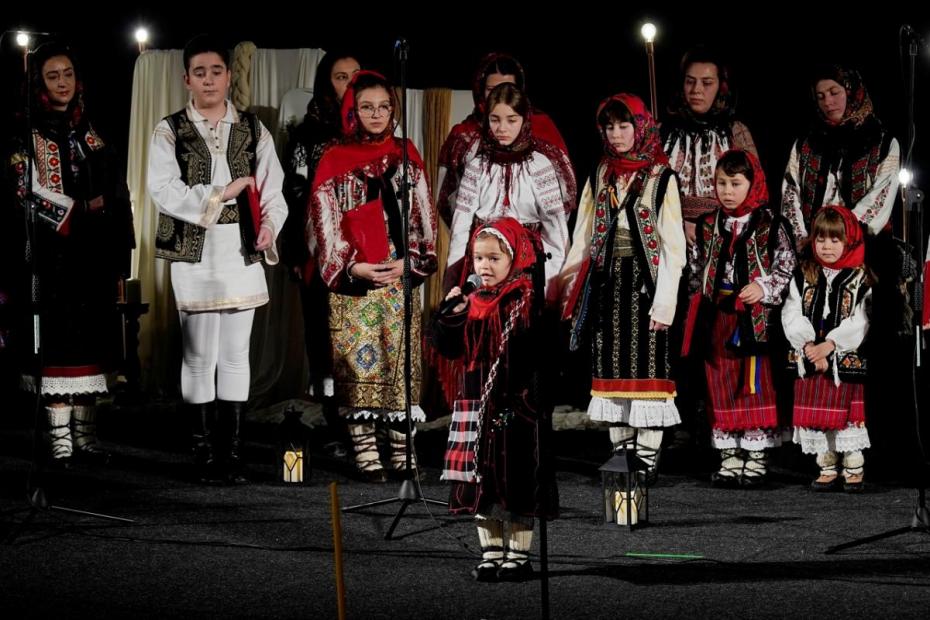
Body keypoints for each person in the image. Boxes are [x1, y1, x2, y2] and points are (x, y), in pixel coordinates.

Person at [147, 34, 288, 483]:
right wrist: (221, 193)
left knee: (235, 354)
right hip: (195, 252)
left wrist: (269, 227)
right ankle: (203, 452)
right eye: (200, 72)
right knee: (198, 355)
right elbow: (163, 189)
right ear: (186, 79)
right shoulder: (170, 129)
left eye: (216, 71)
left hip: (240, 250)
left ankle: (232, 452)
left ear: (228, 76)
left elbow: (273, 187)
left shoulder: (253, 128)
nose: (208, 80)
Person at [308, 71, 438, 481]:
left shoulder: (406, 154)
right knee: (358, 366)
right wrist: (351, 267)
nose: (377, 114)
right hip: (355, 280)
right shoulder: (334, 158)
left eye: (384, 106)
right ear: (353, 111)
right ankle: (366, 453)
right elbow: (324, 224)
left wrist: (412, 261)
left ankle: (402, 452)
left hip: (398, 275)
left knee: (400, 364)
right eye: (367, 107)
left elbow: (424, 214)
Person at [9, 41, 134, 464]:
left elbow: (116, 187)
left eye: (68, 74)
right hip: (51, 258)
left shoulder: (91, 131)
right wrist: (79, 210)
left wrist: (112, 224)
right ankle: (59, 436)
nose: (62, 83)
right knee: (60, 343)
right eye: (52, 76)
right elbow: (24, 191)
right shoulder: (26, 133)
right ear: (39, 84)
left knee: (93, 342)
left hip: (93, 256)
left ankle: (86, 434)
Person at [561, 93, 686, 483]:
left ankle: (646, 455)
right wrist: (568, 289)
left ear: (640, 127)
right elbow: (583, 236)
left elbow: (673, 248)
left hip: (644, 285)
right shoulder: (601, 173)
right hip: (607, 282)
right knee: (611, 368)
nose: (616, 134)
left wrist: (664, 304)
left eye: (624, 125)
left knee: (647, 370)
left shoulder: (661, 177)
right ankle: (621, 454)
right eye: (610, 127)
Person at [433, 217, 557, 582]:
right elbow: (449, 349)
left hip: (515, 408)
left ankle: (517, 555)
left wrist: (532, 403)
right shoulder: (471, 302)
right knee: (480, 479)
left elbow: (541, 359)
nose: (484, 266)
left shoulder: (526, 301)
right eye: (478, 258)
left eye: (493, 259)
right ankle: (490, 552)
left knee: (514, 479)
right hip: (475, 404)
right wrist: (450, 315)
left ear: (513, 259)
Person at [686, 150, 795, 487]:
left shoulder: (770, 224)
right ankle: (730, 454)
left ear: (752, 183)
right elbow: (696, 268)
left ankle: (757, 454)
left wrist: (763, 287)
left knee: (754, 383)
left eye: (735, 183)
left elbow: (786, 265)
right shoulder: (708, 224)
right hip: (717, 317)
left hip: (754, 321)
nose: (727, 191)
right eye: (721, 183)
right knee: (719, 381)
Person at [281, 51, 360, 458]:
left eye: (356, 75)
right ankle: (334, 425)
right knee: (324, 339)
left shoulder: (374, 127)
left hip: (365, 253)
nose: (350, 83)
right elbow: (294, 195)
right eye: (340, 76)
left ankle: (365, 426)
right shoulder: (307, 135)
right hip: (319, 250)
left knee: (360, 338)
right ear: (326, 82)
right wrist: (297, 250)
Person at [446, 83, 572, 306]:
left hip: (527, 270)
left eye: (511, 120)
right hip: (483, 267)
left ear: (524, 120)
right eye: (495, 120)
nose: (502, 128)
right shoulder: (477, 166)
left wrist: (551, 287)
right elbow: (460, 227)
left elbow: (555, 230)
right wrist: (452, 280)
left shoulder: (539, 165)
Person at [783, 206, 871, 492]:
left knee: (846, 416)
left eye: (835, 240)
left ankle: (853, 465)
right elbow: (791, 311)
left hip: (842, 360)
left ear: (849, 240)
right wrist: (809, 345)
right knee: (817, 415)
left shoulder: (860, 278)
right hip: (811, 356)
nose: (827, 246)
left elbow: (861, 321)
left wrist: (831, 345)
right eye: (821, 239)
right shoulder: (803, 274)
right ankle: (827, 465)